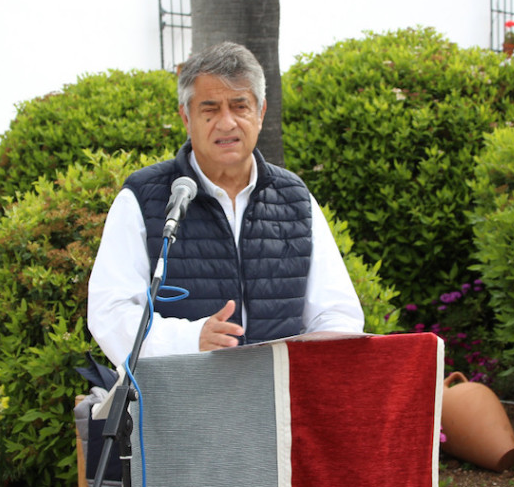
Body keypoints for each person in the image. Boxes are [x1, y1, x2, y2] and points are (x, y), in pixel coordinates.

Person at [88, 42, 364, 369]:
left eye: (239, 106)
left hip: (278, 404)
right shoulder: (143, 197)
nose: (227, 122)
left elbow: (337, 311)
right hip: (182, 405)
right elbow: (111, 311)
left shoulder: (295, 197)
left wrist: (312, 371)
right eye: (210, 109)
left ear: (260, 113)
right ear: (186, 116)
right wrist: (190, 339)